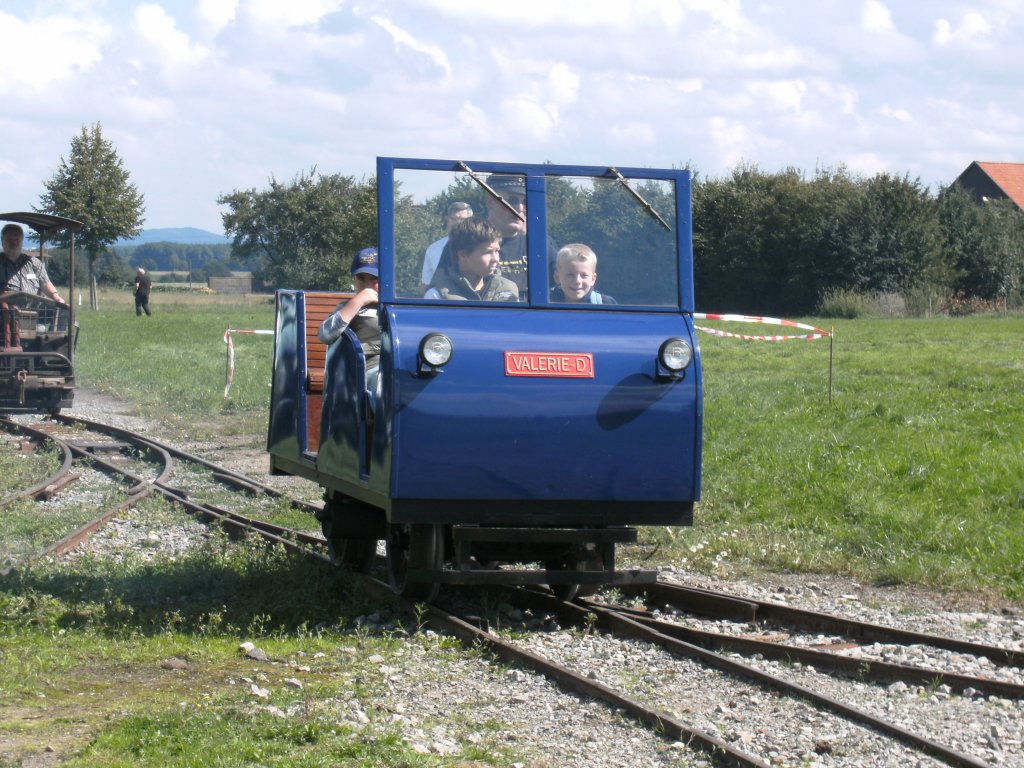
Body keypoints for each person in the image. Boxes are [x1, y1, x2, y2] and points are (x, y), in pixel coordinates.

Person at [319, 247, 381, 407]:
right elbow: (325, 334)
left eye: (374, 279)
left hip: (397, 365)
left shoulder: (395, 307)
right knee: (384, 384)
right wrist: (358, 302)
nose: (367, 285)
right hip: (367, 370)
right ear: (354, 279)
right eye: (361, 278)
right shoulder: (348, 307)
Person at [425, 219, 518, 302]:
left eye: (497, 251)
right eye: (487, 252)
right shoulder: (438, 295)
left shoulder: (508, 290)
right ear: (463, 255)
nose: (496, 259)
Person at [1, 223, 65, 303]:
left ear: (22, 241)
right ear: (2, 242)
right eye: (9, 240)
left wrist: (56, 297)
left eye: (17, 239)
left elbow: (45, 283)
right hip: (5, 312)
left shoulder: (34, 263)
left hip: (34, 311)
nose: (14, 243)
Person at [421, 201, 472, 292]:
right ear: (447, 219)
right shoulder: (433, 249)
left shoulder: (480, 248)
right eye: (453, 219)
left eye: (462, 220)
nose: (457, 223)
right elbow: (426, 285)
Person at [551, 244, 616, 304]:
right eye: (570, 275)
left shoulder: (605, 304)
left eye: (584, 275)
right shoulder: (547, 303)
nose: (577, 281)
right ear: (557, 277)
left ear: (593, 279)